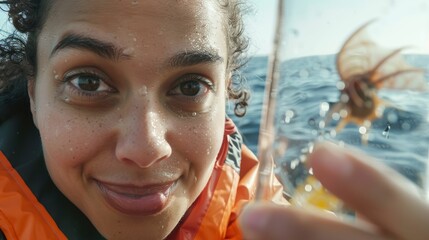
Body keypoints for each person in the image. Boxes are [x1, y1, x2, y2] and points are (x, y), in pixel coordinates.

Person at [1, 1, 429, 240]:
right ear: (34, 94)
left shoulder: (270, 228)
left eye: (189, 87)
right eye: (88, 81)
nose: (146, 148)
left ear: (226, 94)